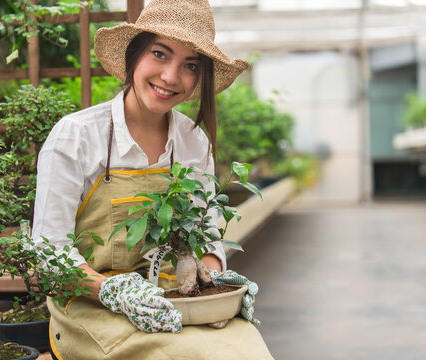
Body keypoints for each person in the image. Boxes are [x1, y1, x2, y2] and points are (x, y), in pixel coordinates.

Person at [32, 0, 274, 358]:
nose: (171, 77)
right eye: (160, 54)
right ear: (133, 55)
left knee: (246, 349)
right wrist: (115, 292)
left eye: (190, 65)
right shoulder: (78, 136)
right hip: (92, 306)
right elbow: (49, 254)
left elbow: (206, 236)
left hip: (174, 300)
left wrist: (214, 282)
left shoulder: (194, 141)